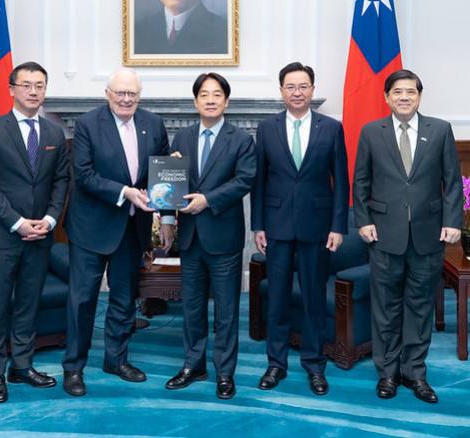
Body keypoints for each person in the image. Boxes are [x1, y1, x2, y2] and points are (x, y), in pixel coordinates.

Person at [353, 69, 463, 404]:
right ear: (386, 97)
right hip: (384, 234)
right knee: (386, 307)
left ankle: (414, 372)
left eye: (410, 92)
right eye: (397, 92)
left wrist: (453, 221)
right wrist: (363, 221)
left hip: (429, 234)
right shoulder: (372, 132)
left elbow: (453, 181)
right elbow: (361, 182)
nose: (404, 97)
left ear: (419, 96)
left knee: (419, 306)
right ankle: (387, 372)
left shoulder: (440, 130)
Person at [62, 68, 170, 397]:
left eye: (132, 94)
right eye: (120, 93)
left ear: (140, 96)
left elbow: (162, 172)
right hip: (91, 227)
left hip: (130, 227)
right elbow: (83, 175)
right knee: (82, 300)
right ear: (108, 93)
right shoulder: (87, 124)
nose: (126, 99)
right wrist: (125, 192)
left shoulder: (153, 123)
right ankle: (74, 367)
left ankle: (116, 359)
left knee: (124, 299)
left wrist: (166, 214)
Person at [0, 61, 70, 404]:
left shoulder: (55, 134)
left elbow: (61, 181)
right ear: (12, 89)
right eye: (26, 85)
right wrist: (17, 222)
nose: (33, 91)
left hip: (41, 235)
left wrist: (50, 219)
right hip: (2, 237)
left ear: (45, 90)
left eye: (39, 85)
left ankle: (22, 365)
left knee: (29, 304)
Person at [251, 61, 349, 396]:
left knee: (312, 298)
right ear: (281, 91)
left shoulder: (331, 128)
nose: (297, 92)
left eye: (303, 86)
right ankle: (275, 365)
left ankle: (314, 365)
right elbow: (259, 181)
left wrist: (338, 226)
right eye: (291, 86)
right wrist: (258, 225)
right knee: (276, 300)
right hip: (276, 227)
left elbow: (341, 182)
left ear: (312, 89)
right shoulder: (266, 128)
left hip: (317, 227)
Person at [161, 73, 255, 400]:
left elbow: (245, 181)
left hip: (223, 237)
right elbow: (170, 184)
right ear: (195, 101)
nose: (211, 99)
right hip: (189, 238)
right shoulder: (182, 139)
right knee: (192, 307)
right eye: (204, 94)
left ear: (226, 101)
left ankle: (225, 373)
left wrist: (208, 200)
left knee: (227, 311)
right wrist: (167, 220)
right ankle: (193, 364)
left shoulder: (241, 139)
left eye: (217, 94)